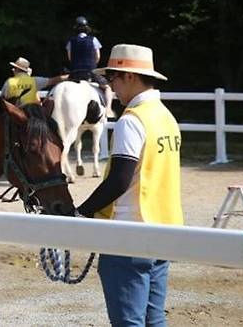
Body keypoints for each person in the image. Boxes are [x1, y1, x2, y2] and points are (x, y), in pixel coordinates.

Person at [76, 44, 183, 327]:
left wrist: (83, 212)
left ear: (130, 77)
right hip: (163, 229)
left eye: (113, 78)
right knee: (154, 318)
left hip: (128, 233)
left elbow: (119, 180)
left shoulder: (132, 121)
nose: (111, 86)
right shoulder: (166, 117)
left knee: (128, 322)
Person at [65, 15, 102, 81]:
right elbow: (98, 57)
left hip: (75, 71)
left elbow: (70, 58)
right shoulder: (94, 39)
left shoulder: (71, 41)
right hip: (91, 70)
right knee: (106, 85)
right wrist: (92, 65)